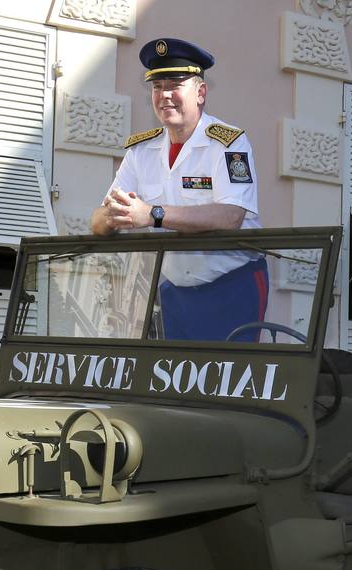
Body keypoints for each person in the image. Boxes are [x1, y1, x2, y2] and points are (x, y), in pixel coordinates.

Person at [90, 37, 267, 342]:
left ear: (200, 92)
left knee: (225, 383)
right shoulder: (141, 150)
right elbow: (97, 221)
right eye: (157, 87)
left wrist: (152, 215)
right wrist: (113, 216)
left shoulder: (228, 142)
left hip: (231, 285)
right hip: (174, 291)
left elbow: (231, 216)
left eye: (175, 84)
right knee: (177, 385)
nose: (164, 95)